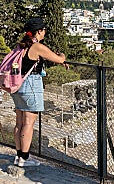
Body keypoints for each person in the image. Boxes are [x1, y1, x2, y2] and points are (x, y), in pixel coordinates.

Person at [11, 17, 68, 167]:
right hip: (30, 85)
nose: (45, 32)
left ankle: (18, 156)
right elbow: (58, 59)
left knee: (19, 122)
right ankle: (24, 158)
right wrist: (62, 56)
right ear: (39, 31)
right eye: (43, 30)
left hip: (17, 85)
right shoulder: (37, 47)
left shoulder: (21, 45)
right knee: (28, 122)